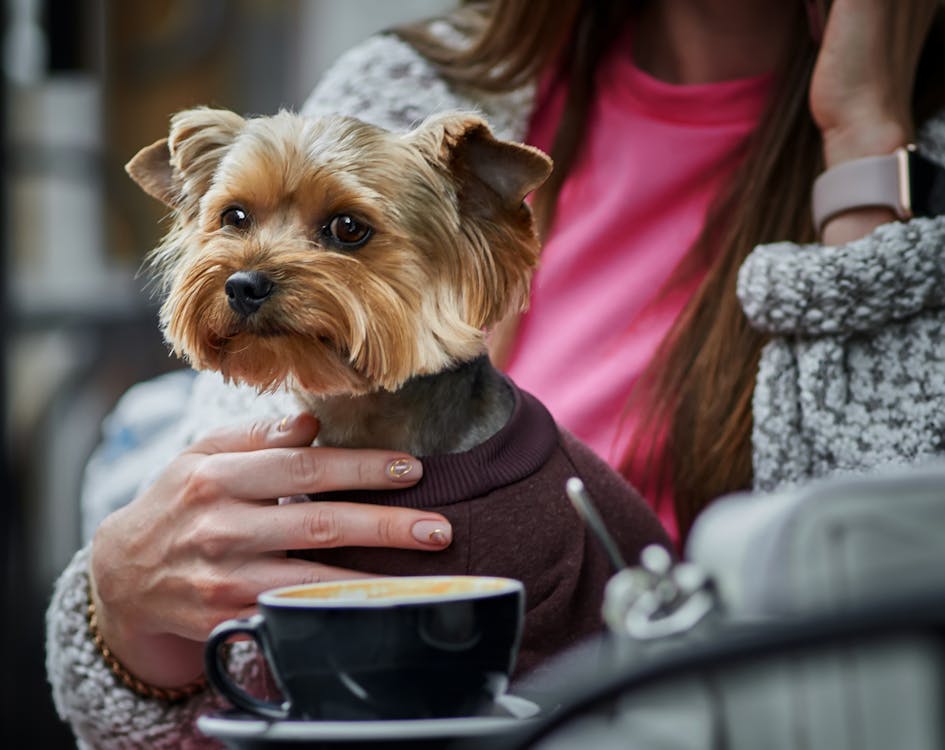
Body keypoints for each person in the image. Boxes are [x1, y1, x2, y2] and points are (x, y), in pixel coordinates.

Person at [46, 0, 945, 747]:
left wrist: (867, 140)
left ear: (486, 228)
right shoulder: (397, 85)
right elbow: (206, 640)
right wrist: (123, 619)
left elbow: (883, 613)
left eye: (347, 231)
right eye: (233, 218)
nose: (253, 269)